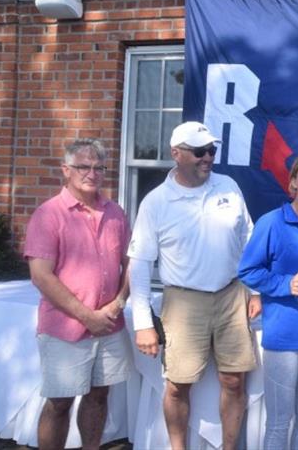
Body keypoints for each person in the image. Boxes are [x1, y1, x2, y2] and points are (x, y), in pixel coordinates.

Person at [127, 121, 257, 450]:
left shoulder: (228, 186)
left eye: (211, 150)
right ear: (176, 154)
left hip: (231, 296)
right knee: (177, 384)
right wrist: (143, 323)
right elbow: (140, 263)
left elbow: (248, 239)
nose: (208, 158)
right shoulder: (156, 202)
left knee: (233, 379)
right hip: (183, 303)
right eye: (199, 151)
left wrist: (254, 290)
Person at [25, 138, 132, 450]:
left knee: (99, 395)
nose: (92, 173)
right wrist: (88, 317)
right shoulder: (49, 215)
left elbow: (129, 264)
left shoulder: (115, 213)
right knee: (59, 403)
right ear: (65, 170)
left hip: (110, 325)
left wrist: (118, 303)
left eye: (99, 167)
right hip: (65, 329)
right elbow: (41, 276)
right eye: (83, 166)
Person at [237, 150, 298, 450]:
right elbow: (247, 271)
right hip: (283, 335)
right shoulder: (272, 223)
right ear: (293, 181)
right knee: (280, 422)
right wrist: (285, 283)